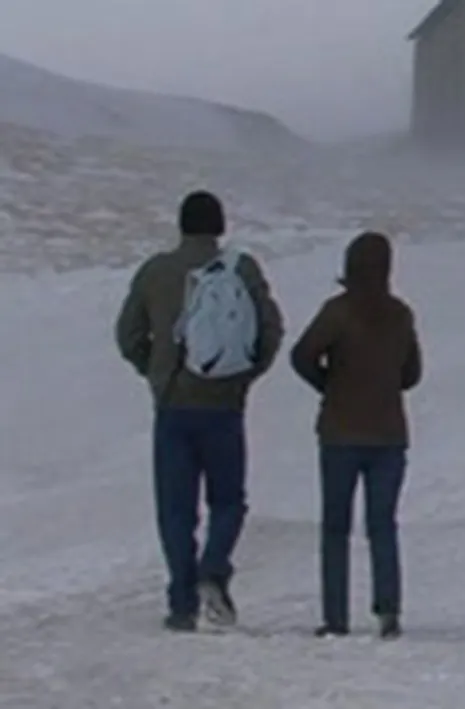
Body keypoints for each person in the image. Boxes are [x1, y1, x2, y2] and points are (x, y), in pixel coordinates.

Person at [114, 190, 284, 632]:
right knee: (228, 500)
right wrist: (245, 376)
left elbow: (128, 333)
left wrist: (154, 370)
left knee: (176, 509)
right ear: (220, 226)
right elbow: (271, 329)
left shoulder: (156, 271)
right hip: (224, 404)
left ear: (181, 225)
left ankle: (182, 603)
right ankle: (214, 567)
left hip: (172, 404)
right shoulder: (241, 268)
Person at [289, 231, 422, 640]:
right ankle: (388, 612)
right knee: (382, 524)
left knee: (335, 527)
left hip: (340, 432)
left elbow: (301, 355)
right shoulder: (399, 314)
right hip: (388, 433)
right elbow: (412, 374)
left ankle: (335, 618)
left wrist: (329, 384)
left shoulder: (338, 312)